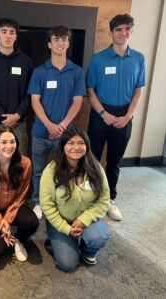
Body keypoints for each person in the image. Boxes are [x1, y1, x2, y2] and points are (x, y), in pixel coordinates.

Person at [86, 14, 145, 221]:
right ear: (111, 33)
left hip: (125, 115)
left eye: (127, 29)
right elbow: (90, 90)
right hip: (100, 114)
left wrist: (128, 116)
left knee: (114, 160)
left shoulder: (139, 58)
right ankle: (89, 197)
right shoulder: (98, 59)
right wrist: (103, 114)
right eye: (119, 29)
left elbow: (138, 90)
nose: (123, 33)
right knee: (91, 158)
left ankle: (109, 199)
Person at [28, 25, 86, 220]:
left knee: (64, 170)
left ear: (68, 44)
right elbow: (35, 101)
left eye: (64, 40)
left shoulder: (76, 72)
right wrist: (49, 125)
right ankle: (37, 202)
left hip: (66, 135)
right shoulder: (39, 71)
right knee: (38, 171)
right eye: (57, 39)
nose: (60, 43)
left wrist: (61, 126)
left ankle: (59, 201)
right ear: (49, 44)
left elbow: (77, 102)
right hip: (40, 133)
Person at [40, 127, 110, 272]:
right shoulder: (52, 170)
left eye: (81, 143)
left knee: (99, 237)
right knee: (68, 264)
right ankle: (58, 242)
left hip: (86, 219)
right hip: (61, 220)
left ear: (87, 146)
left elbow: (103, 201)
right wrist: (66, 228)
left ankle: (87, 251)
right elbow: (47, 205)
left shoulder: (95, 168)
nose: (76, 147)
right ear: (63, 146)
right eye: (71, 143)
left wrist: (84, 220)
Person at [0, 126, 39, 262]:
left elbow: (22, 195)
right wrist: (0, 219)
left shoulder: (25, 163)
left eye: (12, 142)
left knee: (32, 222)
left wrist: (7, 220)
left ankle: (18, 239)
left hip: (14, 206)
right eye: (4, 142)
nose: (9, 146)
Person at [0, 17, 33, 156]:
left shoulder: (26, 61)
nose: (8, 36)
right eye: (4, 32)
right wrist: (3, 117)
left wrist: (17, 115)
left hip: (18, 123)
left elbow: (30, 93)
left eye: (11, 32)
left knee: (20, 164)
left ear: (16, 36)